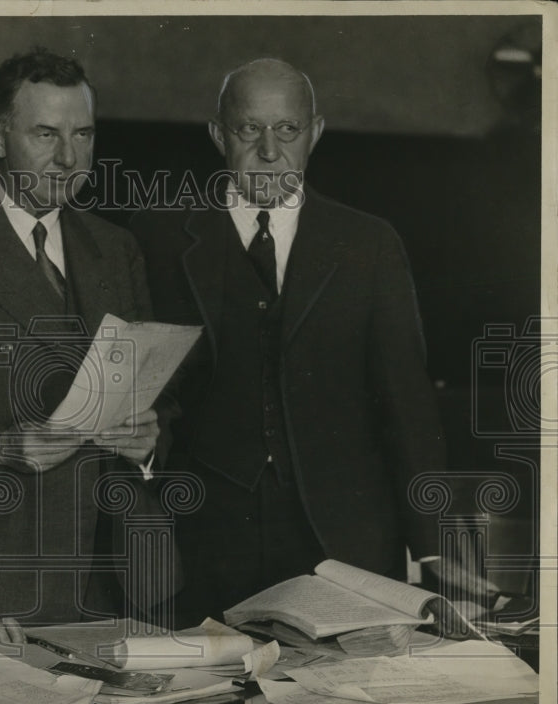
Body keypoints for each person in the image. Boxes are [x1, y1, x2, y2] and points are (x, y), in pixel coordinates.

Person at [133, 59, 469, 626]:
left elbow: (408, 407)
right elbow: (151, 394)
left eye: (287, 130)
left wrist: (433, 545)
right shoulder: (157, 239)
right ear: (219, 135)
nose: (269, 150)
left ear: (314, 133)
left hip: (346, 539)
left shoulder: (369, 244)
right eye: (249, 130)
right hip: (202, 542)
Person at [0, 49, 175, 640]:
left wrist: (149, 441)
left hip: (122, 576)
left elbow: (157, 402)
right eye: (45, 133)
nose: (68, 157)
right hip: (0, 582)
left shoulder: (115, 247)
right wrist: (1, 447)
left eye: (82, 134)